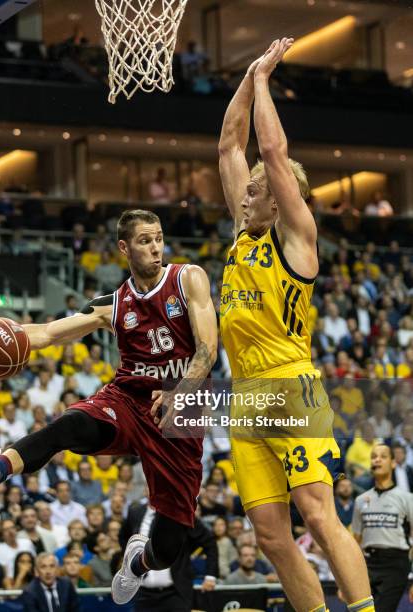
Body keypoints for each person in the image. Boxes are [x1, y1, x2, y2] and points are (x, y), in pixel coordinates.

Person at [0, 208, 218, 605]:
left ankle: (137, 564)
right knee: (70, 424)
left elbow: (208, 348)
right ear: (124, 248)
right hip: (128, 400)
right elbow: (46, 333)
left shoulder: (187, 278)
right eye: (145, 240)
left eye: (159, 238)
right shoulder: (111, 304)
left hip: (179, 412)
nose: (156, 247)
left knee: (168, 545)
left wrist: (182, 390)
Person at [218, 38, 373, 612]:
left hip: (289, 383)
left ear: (279, 202)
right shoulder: (243, 231)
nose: (246, 194)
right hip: (244, 394)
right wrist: (249, 71)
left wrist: (265, 84)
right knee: (270, 536)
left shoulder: (297, 239)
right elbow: (229, 143)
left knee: (315, 508)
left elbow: (271, 151)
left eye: (256, 190)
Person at [120, 499, 217, 612]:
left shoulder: (181, 514)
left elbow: (209, 541)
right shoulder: (135, 513)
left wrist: (210, 575)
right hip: (143, 594)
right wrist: (130, 562)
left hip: (176, 593)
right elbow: (123, 538)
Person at [352, 444, 413, 612]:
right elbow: (354, 542)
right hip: (367, 564)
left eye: (383, 456)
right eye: (373, 456)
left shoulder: (407, 499)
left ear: (393, 463)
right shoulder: (361, 500)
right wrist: (347, 581)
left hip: (395, 563)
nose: (377, 459)